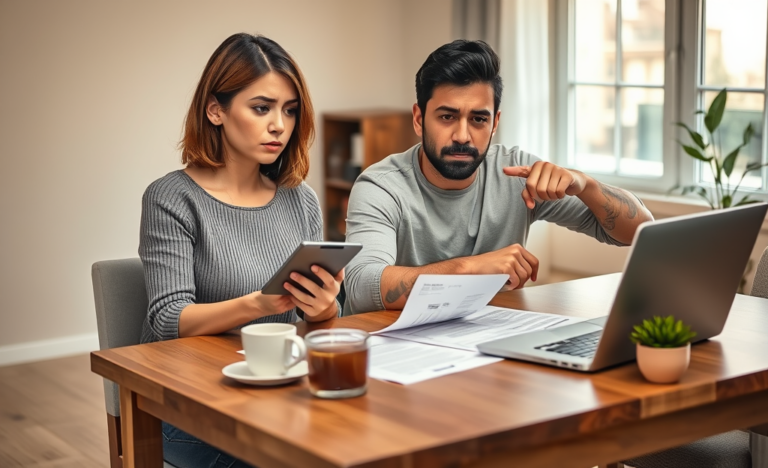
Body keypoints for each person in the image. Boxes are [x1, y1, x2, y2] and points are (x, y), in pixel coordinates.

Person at [139, 33, 341, 468]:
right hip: (189, 406)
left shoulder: (299, 198)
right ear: (216, 110)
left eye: (289, 111)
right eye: (261, 108)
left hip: (278, 393)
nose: (279, 126)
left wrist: (323, 310)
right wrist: (258, 303)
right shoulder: (170, 198)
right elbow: (167, 319)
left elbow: (313, 329)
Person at [343, 39, 653, 316]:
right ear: (418, 118)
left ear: (495, 124)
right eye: (447, 117)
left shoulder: (517, 173)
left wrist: (586, 186)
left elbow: (639, 231)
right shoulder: (381, 185)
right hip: (395, 356)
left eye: (478, 119)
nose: (463, 135)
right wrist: (469, 269)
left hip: (486, 350)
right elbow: (361, 285)